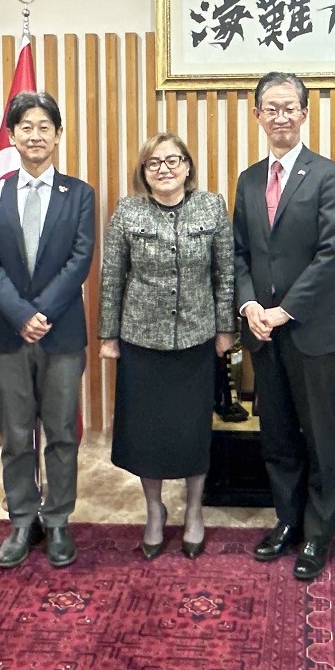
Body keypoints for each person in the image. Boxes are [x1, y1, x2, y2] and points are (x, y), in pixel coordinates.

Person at [232, 71, 335, 582]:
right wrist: (249, 306)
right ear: (258, 115)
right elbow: (239, 252)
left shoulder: (328, 174)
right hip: (262, 330)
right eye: (271, 108)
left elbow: (332, 253)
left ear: (304, 113)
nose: (280, 116)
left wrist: (285, 310)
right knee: (276, 432)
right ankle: (287, 520)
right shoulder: (248, 179)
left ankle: (319, 532)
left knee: (319, 434)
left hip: (309, 327)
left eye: (289, 107)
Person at [99, 133, 235, 560]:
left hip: (197, 338)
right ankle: (154, 510)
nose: (164, 169)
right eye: (153, 163)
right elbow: (112, 276)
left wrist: (226, 330)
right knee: (147, 435)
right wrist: (108, 336)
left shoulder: (211, 207)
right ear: (144, 171)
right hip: (142, 341)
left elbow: (225, 273)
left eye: (173, 160)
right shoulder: (128, 211)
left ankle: (194, 509)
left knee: (192, 432)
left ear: (188, 166)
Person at [0, 91, 96, 569]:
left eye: (45, 126)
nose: (35, 135)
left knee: (62, 431)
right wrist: (20, 314)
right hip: (8, 334)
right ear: (12, 135)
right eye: (26, 126)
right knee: (16, 432)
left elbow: (79, 259)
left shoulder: (79, 194)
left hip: (61, 334)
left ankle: (59, 518)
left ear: (58, 134)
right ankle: (23, 518)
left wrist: (40, 312)